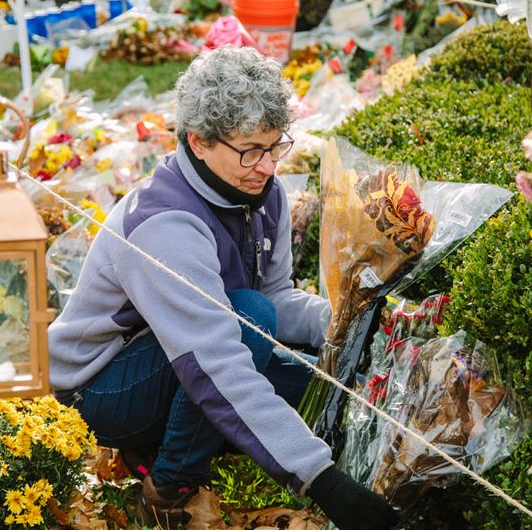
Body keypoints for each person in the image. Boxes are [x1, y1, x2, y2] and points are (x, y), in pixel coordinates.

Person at [49, 46, 397, 530]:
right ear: (198, 141)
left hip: (179, 356)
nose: (269, 165)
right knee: (249, 318)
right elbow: (215, 361)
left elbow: (279, 296)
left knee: (326, 386)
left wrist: (350, 318)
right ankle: (168, 487)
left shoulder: (262, 191)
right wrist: (321, 479)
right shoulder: (165, 224)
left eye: (276, 146)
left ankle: (174, 441)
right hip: (101, 391)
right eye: (250, 150)